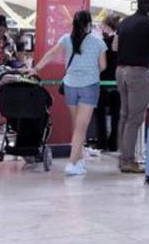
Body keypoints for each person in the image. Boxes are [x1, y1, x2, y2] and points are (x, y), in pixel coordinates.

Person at [34, 10, 107, 176]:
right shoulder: (98, 42)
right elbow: (103, 66)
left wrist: (37, 68)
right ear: (89, 24)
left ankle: (79, 160)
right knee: (81, 127)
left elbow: (52, 53)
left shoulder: (66, 39)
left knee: (76, 125)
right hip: (89, 86)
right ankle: (72, 163)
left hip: (70, 86)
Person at [115, 0, 149, 174]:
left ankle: (122, 157)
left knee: (124, 115)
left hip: (120, 71)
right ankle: (128, 161)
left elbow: (114, 46)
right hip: (137, 72)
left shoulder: (124, 22)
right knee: (135, 118)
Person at [92, 14, 122, 152]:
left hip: (102, 81)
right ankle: (114, 143)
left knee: (100, 114)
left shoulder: (101, 43)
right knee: (116, 115)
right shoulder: (121, 42)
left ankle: (101, 142)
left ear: (107, 26)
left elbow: (100, 64)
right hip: (117, 82)